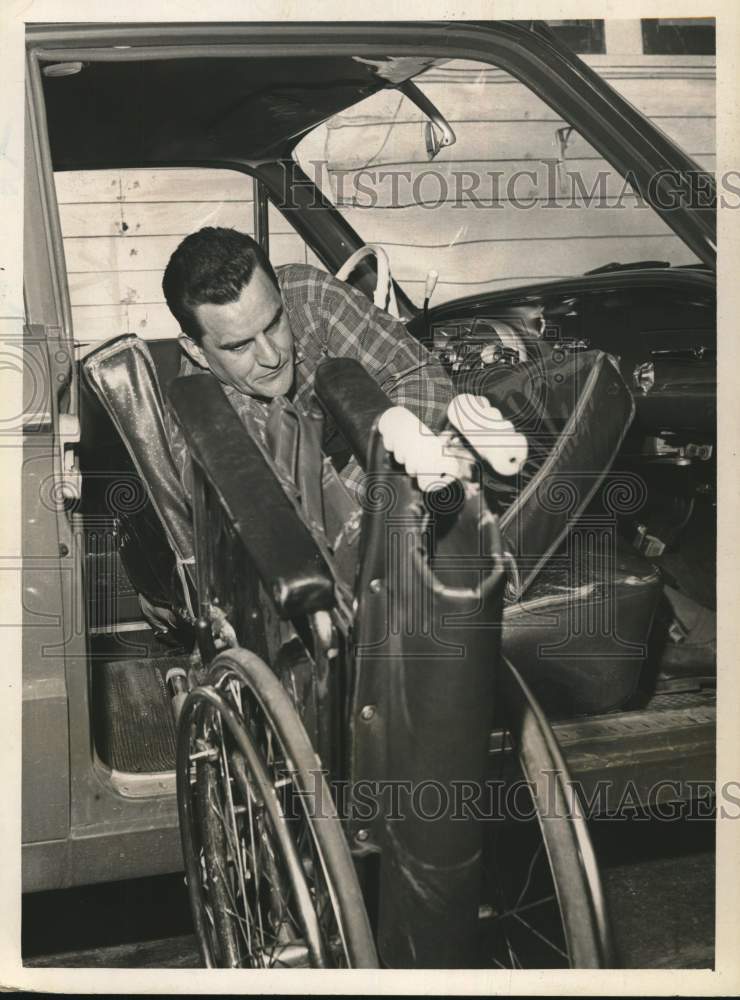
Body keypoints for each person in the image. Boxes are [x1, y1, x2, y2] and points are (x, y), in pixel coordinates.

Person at [162, 226, 455, 502]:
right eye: (240, 345)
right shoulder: (200, 416)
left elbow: (421, 378)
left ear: (279, 293)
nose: (271, 357)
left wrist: (349, 494)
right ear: (196, 352)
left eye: (275, 322)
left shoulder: (309, 297)